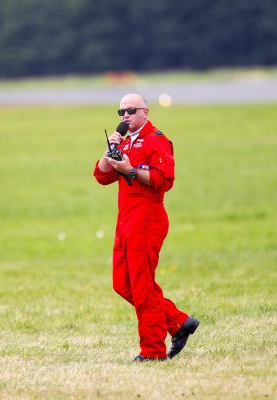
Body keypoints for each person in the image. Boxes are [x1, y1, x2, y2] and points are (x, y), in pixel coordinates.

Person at [93, 93, 199, 362]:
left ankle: (152, 352)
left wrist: (130, 171)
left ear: (145, 113)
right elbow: (101, 177)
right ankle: (178, 321)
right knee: (122, 283)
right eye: (121, 112)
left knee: (142, 287)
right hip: (125, 220)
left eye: (131, 110)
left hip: (147, 219)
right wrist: (109, 152)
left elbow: (165, 180)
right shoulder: (125, 142)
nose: (125, 116)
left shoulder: (157, 139)